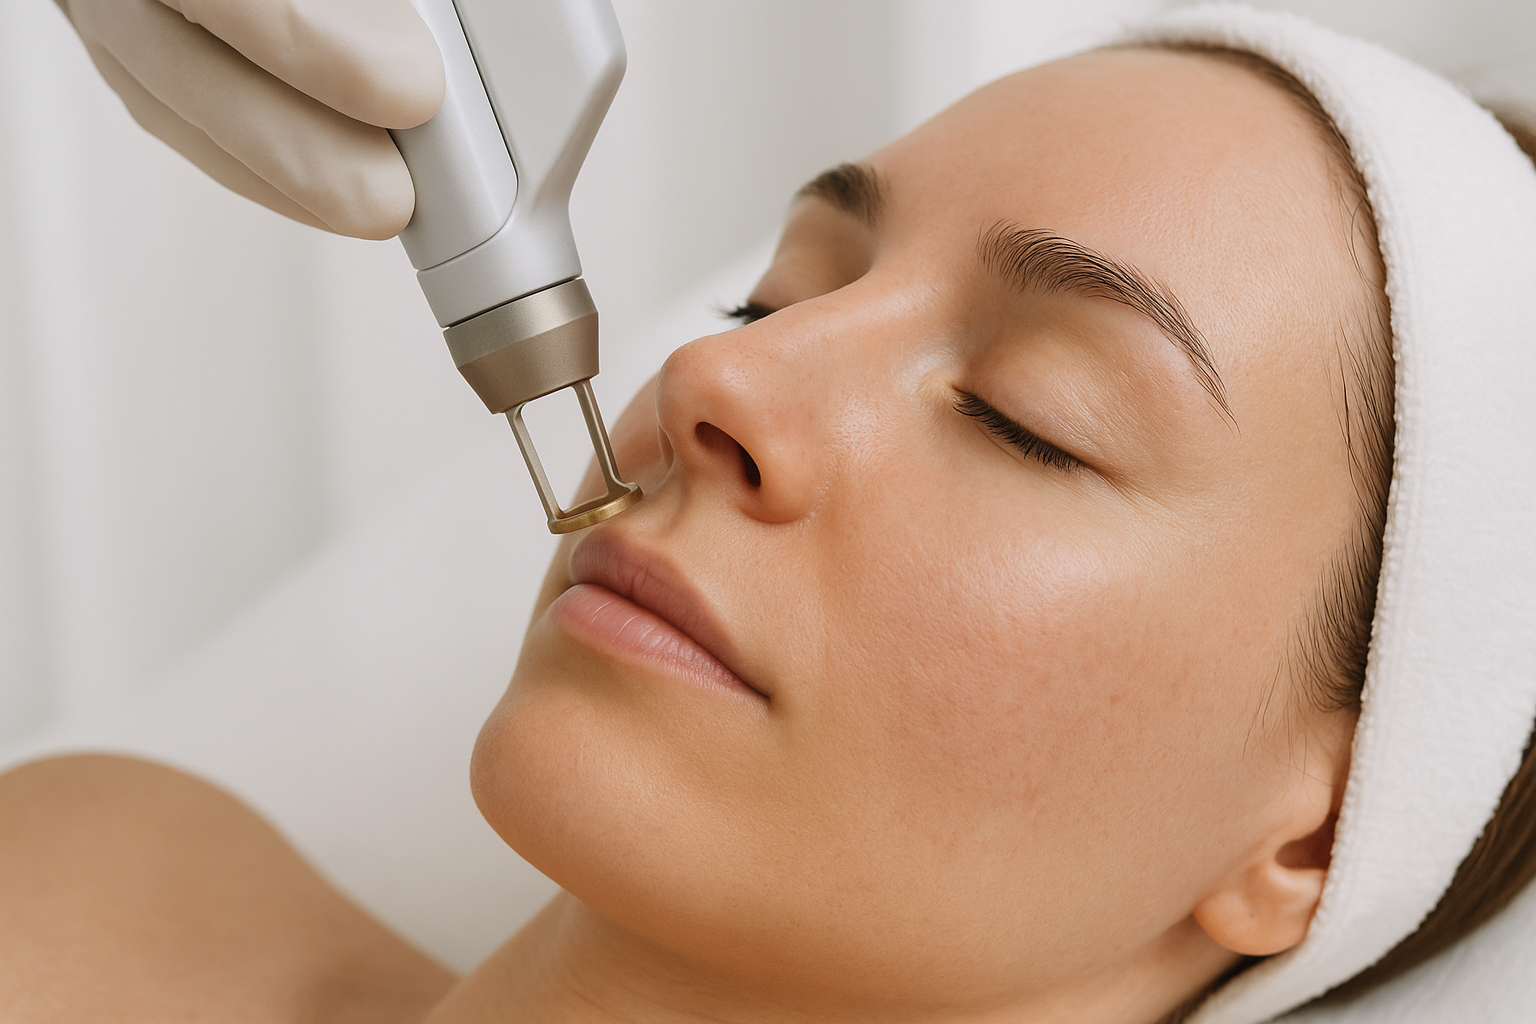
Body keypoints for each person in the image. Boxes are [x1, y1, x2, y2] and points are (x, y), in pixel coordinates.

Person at [3, 5, 1534, 1024]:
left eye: (1028, 416)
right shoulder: (111, 880)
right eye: (777, 292)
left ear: (1317, 832)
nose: (716, 372)